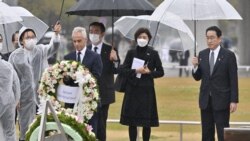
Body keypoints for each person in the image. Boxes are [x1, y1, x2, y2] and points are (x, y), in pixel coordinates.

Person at [8, 22, 61, 141]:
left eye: (33, 37)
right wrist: (15, 98)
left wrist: (56, 34)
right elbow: (12, 79)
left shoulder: (40, 50)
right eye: (28, 37)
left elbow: (54, 47)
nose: (31, 39)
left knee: (45, 127)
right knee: (26, 129)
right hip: (24, 98)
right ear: (21, 40)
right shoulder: (14, 56)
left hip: (41, 96)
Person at [192, 26, 238, 141]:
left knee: (222, 134)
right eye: (207, 38)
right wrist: (195, 66)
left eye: (212, 38)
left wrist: (234, 100)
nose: (209, 41)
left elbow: (233, 79)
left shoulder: (228, 55)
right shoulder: (202, 54)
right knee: (206, 133)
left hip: (222, 100)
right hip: (205, 101)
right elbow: (198, 77)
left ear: (219, 38)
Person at [119, 27, 164, 141]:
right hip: (132, 90)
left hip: (147, 91)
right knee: (132, 122)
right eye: (140, 37)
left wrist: (150, 72)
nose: (142, 39)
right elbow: (124, 70)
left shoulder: (153, 53)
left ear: (149, 39)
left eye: (144, 37)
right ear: (136, 39)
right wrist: (136, 71)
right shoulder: (131, 52)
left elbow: (161, 72)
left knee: (146, 122)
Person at [64, 26, 103, 136]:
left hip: (88, 102)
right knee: (71, 133)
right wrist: (66, 77)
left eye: (79, 41)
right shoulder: (68, 57)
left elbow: (96, 77)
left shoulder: (95, 57)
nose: (76, 44)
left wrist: (82, 77)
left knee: (89, 133)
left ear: (86, 40)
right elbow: (66, 81)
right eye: (74, 41)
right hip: (71, 102)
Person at [87, 22, 119, 141]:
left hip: (105, 93)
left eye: (96, 31)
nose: (93, 34)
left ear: (102, 34)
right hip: (88, 93)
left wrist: (115, 60)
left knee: (101, 123)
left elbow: (116, 70)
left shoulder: (110, 49)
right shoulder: (86, 49)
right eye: (91, 31)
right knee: (88, 123)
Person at [0, 39, 21, 141]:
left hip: (9, 104)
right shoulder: (7, 66)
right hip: (9, 104)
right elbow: (16, 86)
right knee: (9, 132)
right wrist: (15, 102)